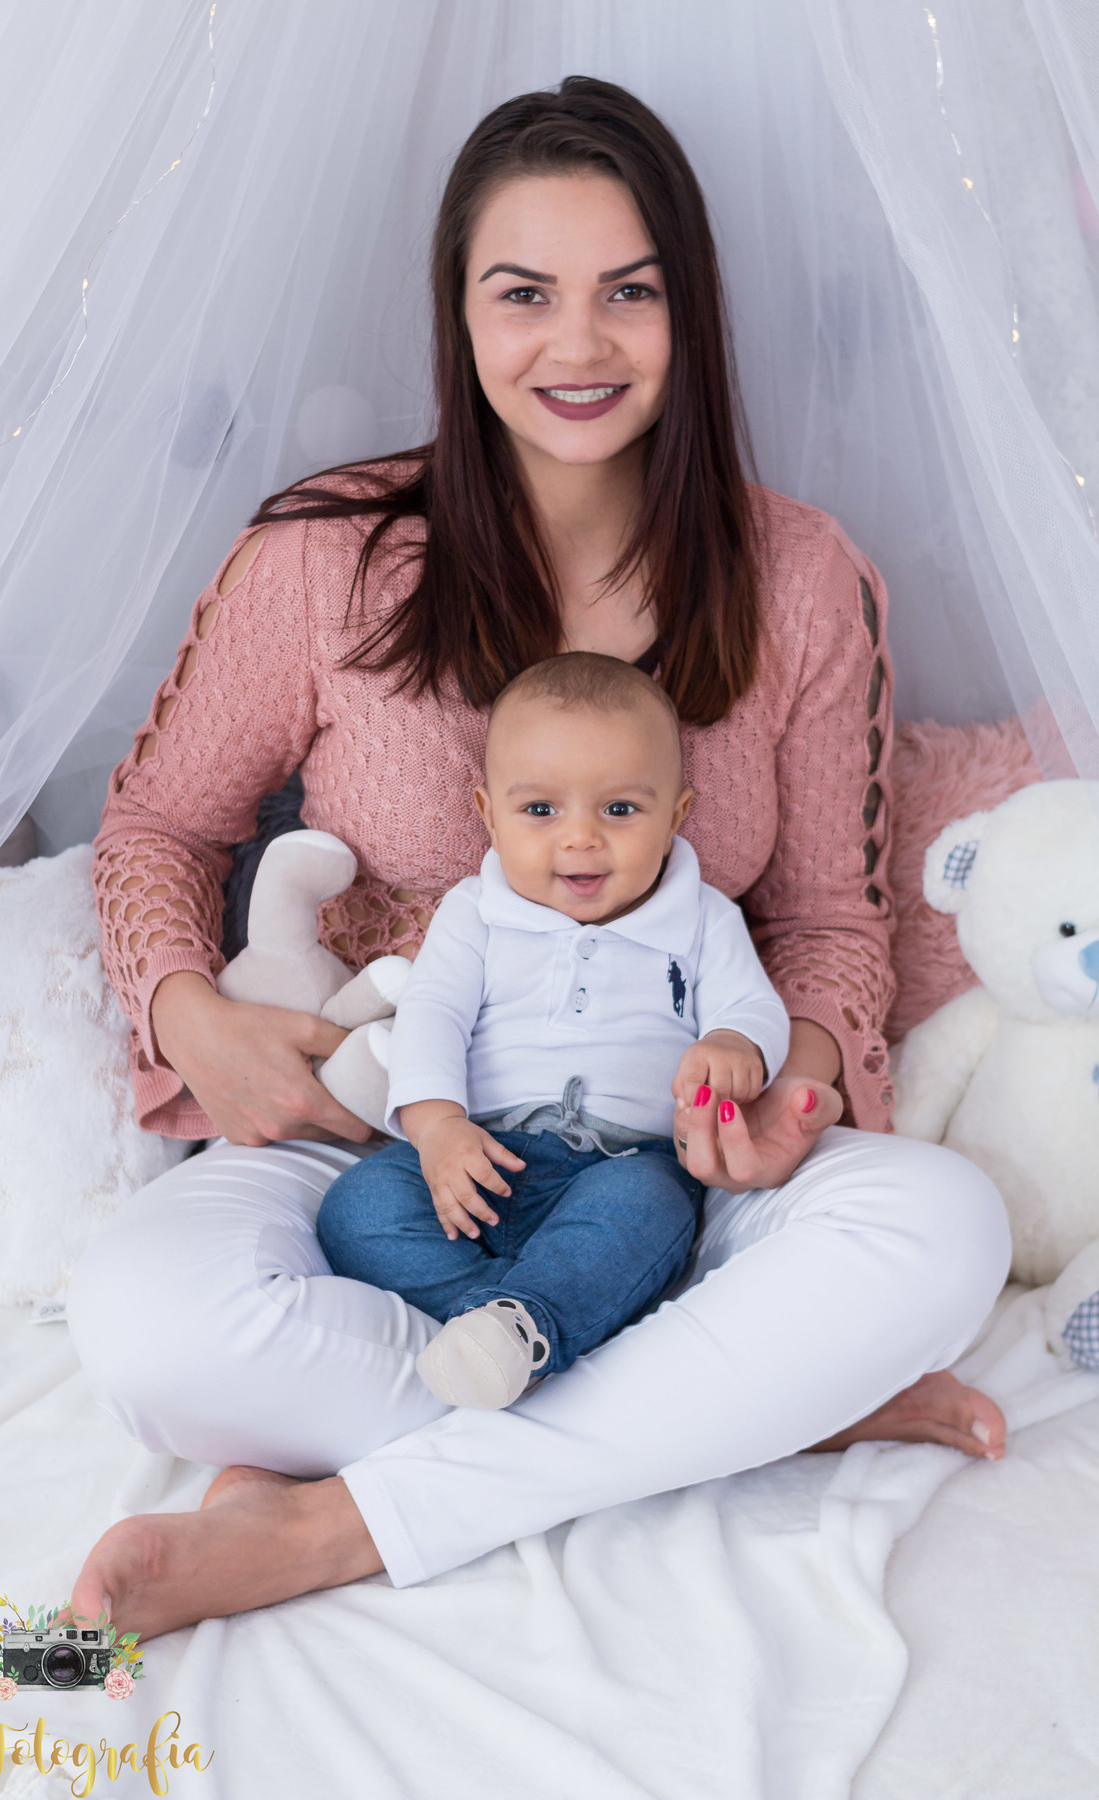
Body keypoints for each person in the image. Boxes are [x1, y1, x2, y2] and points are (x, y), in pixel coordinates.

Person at [66, 76, 1011, 1639]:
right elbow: (158, 824)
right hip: (384, 1128)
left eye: (628, 293)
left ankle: (329, 1530)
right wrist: (191, 1018)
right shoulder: (324, 556)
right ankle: (738, 1408)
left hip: (666, 1161)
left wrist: (796, 1084)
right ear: (460, 314)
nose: (578, 347)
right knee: (143, 1333)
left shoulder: (800, 576)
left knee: (940, 1231)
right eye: (526, 295)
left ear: (686, 309)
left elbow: (833, 921)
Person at [317, 651, 792, 1409]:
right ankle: (518, 1325)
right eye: (541, 811)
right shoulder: (473, 912)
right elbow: (432, 1014)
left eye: (620, 811)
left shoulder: (703, 920)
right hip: (478, 1154)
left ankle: (525, 1323)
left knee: (652, 1213)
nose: (580, 840)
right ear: (488, 814)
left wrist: (736, 1043)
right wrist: (437, 1130)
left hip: (620, 1165)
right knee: (358, 1211)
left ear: (675, 814)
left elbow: (756, 1009)